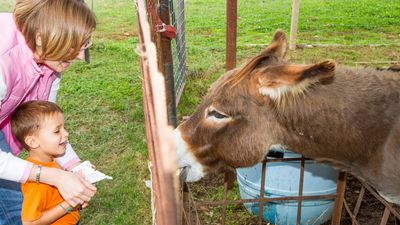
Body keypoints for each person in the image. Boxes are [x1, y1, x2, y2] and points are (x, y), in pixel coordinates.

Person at [0, 0, 97, 224]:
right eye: (74, 46)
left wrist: (74, 166)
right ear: (42, 37)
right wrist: (53, 175)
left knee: (16, 203)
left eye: (85, 44)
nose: (81, 56)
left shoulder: (50, 62)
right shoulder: (3, 62)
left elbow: (45, 124)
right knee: (16, 210)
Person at [12, 101, 81, 225]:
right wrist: (70, 203)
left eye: (64, 128)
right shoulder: (36, 183)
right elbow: (30, 222)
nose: (66, 134)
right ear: (33, 142)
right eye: (57, 131)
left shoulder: (50, 160)